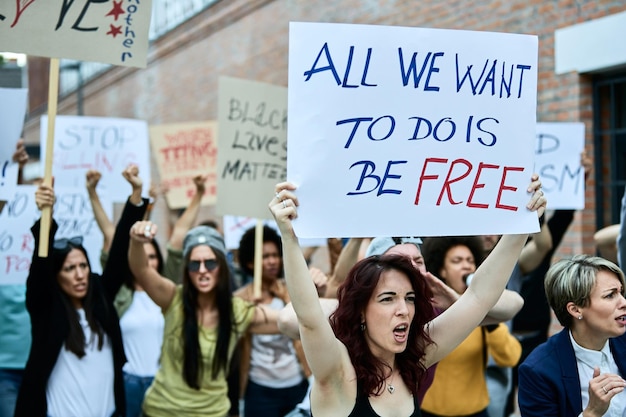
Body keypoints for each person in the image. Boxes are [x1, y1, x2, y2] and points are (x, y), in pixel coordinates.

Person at [270, 176, 545, 417]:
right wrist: (288, 236)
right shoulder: (338, 371)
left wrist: (521, 225)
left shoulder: (416, 358)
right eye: (387, 298)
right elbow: (307, 318)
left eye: (410, 298)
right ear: (361, 311)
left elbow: (478, 298)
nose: (404, 309)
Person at [127, 220, 283, 417]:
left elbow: (287, 320)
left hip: (213, 412)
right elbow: (141, 270)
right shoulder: (173, 298)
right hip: (160, 410)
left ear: (222, 266)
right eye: (194, 264)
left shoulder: (237, 310)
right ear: (187, 269)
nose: (202, 270)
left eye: (210, 263)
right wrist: (136, 240)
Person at [14, 180, 138, 417]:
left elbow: (120, 253)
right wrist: (45, 218)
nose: (80, 275)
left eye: (83, 266)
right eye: (70, 269)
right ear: (56, 276)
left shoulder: (100, 301)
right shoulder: (46, 310)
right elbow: (40, 268)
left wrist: (136, 198)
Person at [86, 165, 166, 417]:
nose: (148, 261)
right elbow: (119, 238)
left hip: (163, 381)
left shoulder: (167, 292)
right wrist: (93, 194)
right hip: (129, 382)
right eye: (145, 256)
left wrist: (147, 202)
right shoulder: (119, 292)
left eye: (153, 257)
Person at [419, 236, 522, 417]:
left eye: (470, 261)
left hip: (475, 411)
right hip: (431, 411)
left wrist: (486, 320)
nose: (466, 266)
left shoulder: (484, 311)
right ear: (442, 270)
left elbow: (511, 358)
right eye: (457, 261)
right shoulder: (428, 308)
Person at [517, 255, 626, 417]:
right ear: (575, 310)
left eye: (621, 292)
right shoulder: (538, 371)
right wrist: (592, 412)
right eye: (610, 295)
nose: (623, 302)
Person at [234, 225, 314, 417]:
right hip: (259, 390)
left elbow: (308, 322)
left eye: (275, 255)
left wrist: (287, 299)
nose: (271, 261)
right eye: (264, 256)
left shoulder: (292, 290)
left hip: (297, 384)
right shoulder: (240, 298)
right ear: (250, 262)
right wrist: (247, 311)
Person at [0, 140, 31, 417]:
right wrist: (12, 173)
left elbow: (18, 211)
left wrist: (17, 173)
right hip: (4, 370)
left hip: (41, 365)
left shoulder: (42, 274)